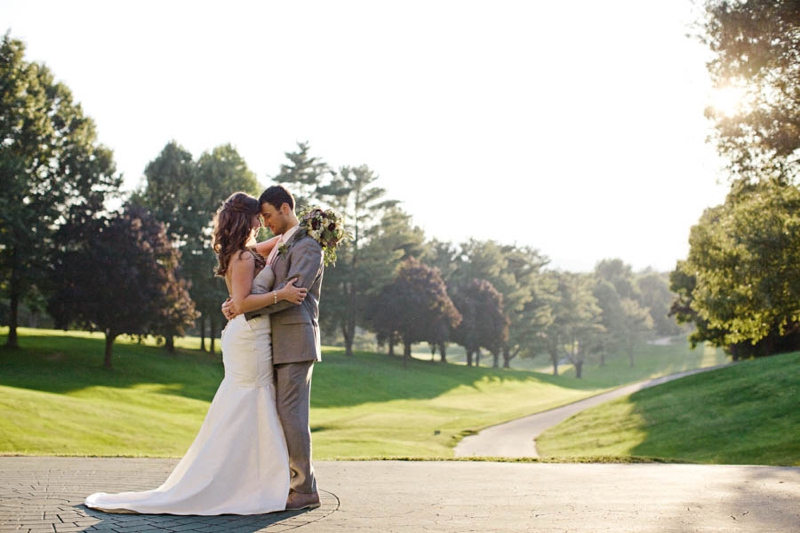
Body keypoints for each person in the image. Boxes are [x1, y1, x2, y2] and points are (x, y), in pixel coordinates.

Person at [84, 192, 307, 515]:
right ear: (248, 219)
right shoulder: (243, 258)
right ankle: (241, 482)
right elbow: (243, 304)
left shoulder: (245, 252)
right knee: (252, 401)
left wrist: (309, 227)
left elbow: (280, 245)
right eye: (258, 217)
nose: (262, 221)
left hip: (248, 336)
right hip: (249, 338)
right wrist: (280, 294)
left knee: (249, 403)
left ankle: (250, 479)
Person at [222, 184, 324, 511]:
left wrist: (246, 306)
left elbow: (293, 292)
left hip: (295, 342)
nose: (264, 222)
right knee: (280, 415)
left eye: (267, 215)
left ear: (284, 208)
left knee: (292, 416)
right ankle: (287, 482)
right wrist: (238, 302)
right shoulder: (283, 243)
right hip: (273, 342)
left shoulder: (307, 246)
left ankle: (305, 488)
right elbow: (262, 287)